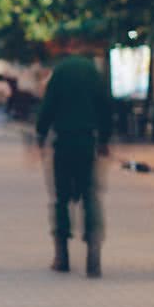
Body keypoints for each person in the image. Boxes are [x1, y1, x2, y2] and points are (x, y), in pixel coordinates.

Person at [36, 54, 111, 278]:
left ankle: (62, 256)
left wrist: (40, 134)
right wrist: (105, 140)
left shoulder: (59, 73)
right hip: (87, 143)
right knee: (90, 196)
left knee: (61, 198)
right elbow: (105, 107)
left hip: (63, 143)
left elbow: (48, 105)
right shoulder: (94, 74)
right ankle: (93, 254)